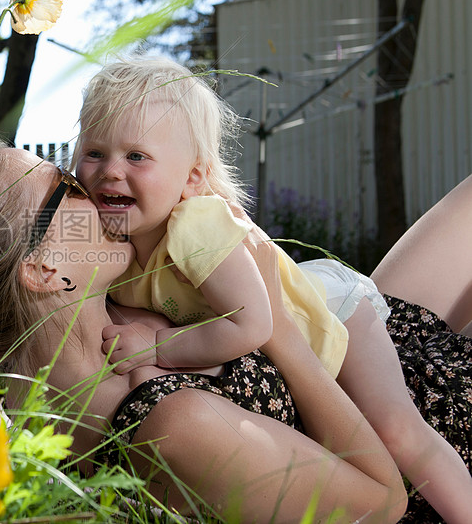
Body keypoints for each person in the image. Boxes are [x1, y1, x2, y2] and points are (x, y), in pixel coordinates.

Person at [0, 134, 471, 522]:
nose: (97, 188)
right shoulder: (170, 426)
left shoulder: (98, 329)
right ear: (43, 268)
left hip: (382, 354)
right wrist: (275, 332)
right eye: (67, 184)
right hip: (434, 450)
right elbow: (382, 503)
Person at [72, 56, 472, 522]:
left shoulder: (196, 227)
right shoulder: (116, 251)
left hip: (336, 316)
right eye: (94, 153)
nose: (110, 171)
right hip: (295, 334)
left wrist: (159, 345)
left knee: (398, 430)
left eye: (136, 156)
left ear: (193, 178)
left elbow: (254, 324)